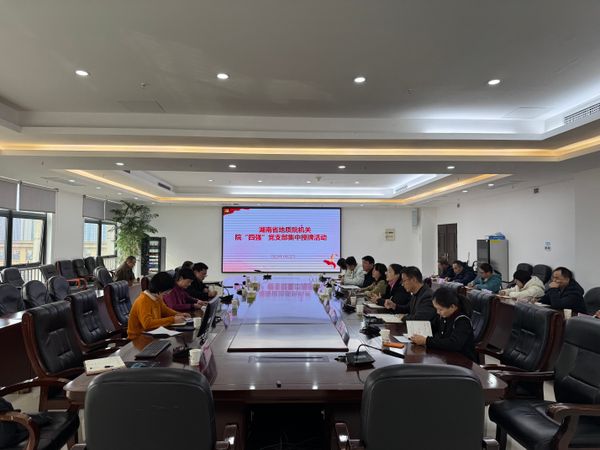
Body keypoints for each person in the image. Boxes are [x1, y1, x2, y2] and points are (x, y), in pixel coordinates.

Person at [410, 287, 476, 361]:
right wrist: (419, 332)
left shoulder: (462, 320)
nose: (438, 312)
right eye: (436, 309)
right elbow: (433, 327)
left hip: (462, 360)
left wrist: (426, 341)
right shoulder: (444, 315)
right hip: (445, 356)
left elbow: (453, 344)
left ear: (452, 307)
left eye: (440, 309)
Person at [127, 271, 189, 339]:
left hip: (152, 334)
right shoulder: (143, 301)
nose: (166, 295)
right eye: (165, 293)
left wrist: (179, 314)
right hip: (137, 338)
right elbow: (147, 324)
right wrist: (173, 320)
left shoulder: (157, 298)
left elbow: (165, 311)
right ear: (158, 290)